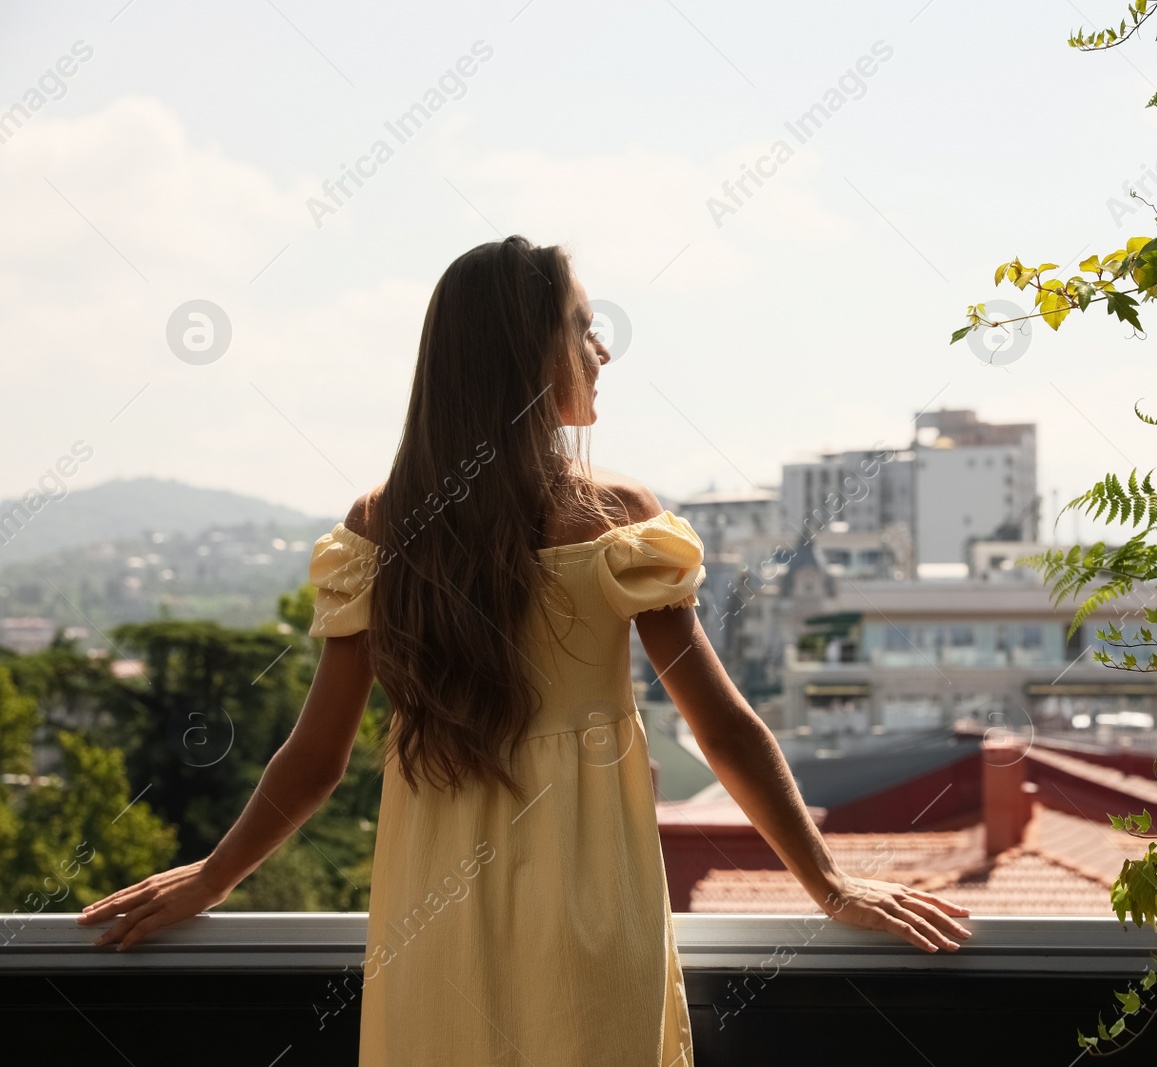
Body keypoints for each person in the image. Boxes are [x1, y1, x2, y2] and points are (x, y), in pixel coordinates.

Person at [76, 237, 972, 1065]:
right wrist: (828, 883)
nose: (602, 352)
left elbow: (316, 758)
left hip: (430, 917)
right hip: (592, 901)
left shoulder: (380, 526)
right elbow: (725, 726)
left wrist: (216, 874)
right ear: (528, 352)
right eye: (585, 328)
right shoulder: (615, 520)